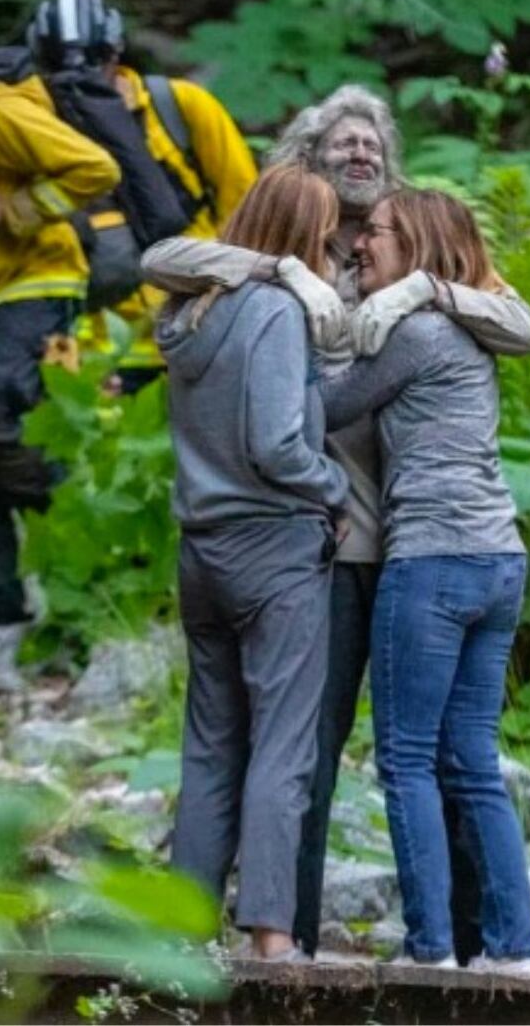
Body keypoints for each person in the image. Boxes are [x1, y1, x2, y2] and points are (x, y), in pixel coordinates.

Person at [144, 83, 530, 961]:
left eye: (371, 143)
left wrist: (424, 291)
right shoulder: (291, 263)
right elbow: (166, 257)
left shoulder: (410, 264)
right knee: (309, 749)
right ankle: (296, 935)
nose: (360, 155)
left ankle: (472, 939)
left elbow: (519, 319)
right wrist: (282, 269)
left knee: (431, 751)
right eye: (341, 145)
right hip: (321, 539)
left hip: (407, 543)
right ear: (307, 164)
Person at [318, 188, 530, 973]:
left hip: (431, 559)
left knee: (406, 758)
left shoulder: (413, 331)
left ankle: (431, 949)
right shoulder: (469, 326)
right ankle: (513, 951)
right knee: (471, 758)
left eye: (372, 234)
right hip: (498, 558)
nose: (358, 248)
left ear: (412, 241)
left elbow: (327, 408)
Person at [153, 163, 350, 961]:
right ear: (306, 236)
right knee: (283, 742)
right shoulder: (273, 311)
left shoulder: (189, 312)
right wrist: (331, 484)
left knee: (209, 743)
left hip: (201, 549)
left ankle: (180, 928)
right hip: (273, 547)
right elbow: (276, 443)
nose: (335, 250)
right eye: (328, 234)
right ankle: (271, 936)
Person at [25, 0, 258, 389]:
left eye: (95, 62)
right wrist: (63, 377)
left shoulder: (179, 107)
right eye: (56, 67)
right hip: (93, 356)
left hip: (195, 336)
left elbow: (251, 214)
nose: (77, 79)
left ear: (117, 53)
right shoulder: (28, 130)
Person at [0, 68, 120, 625]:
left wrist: (16, 206)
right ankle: (0, 614)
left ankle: (70, 525)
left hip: (41, 279)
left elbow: (96, 168)